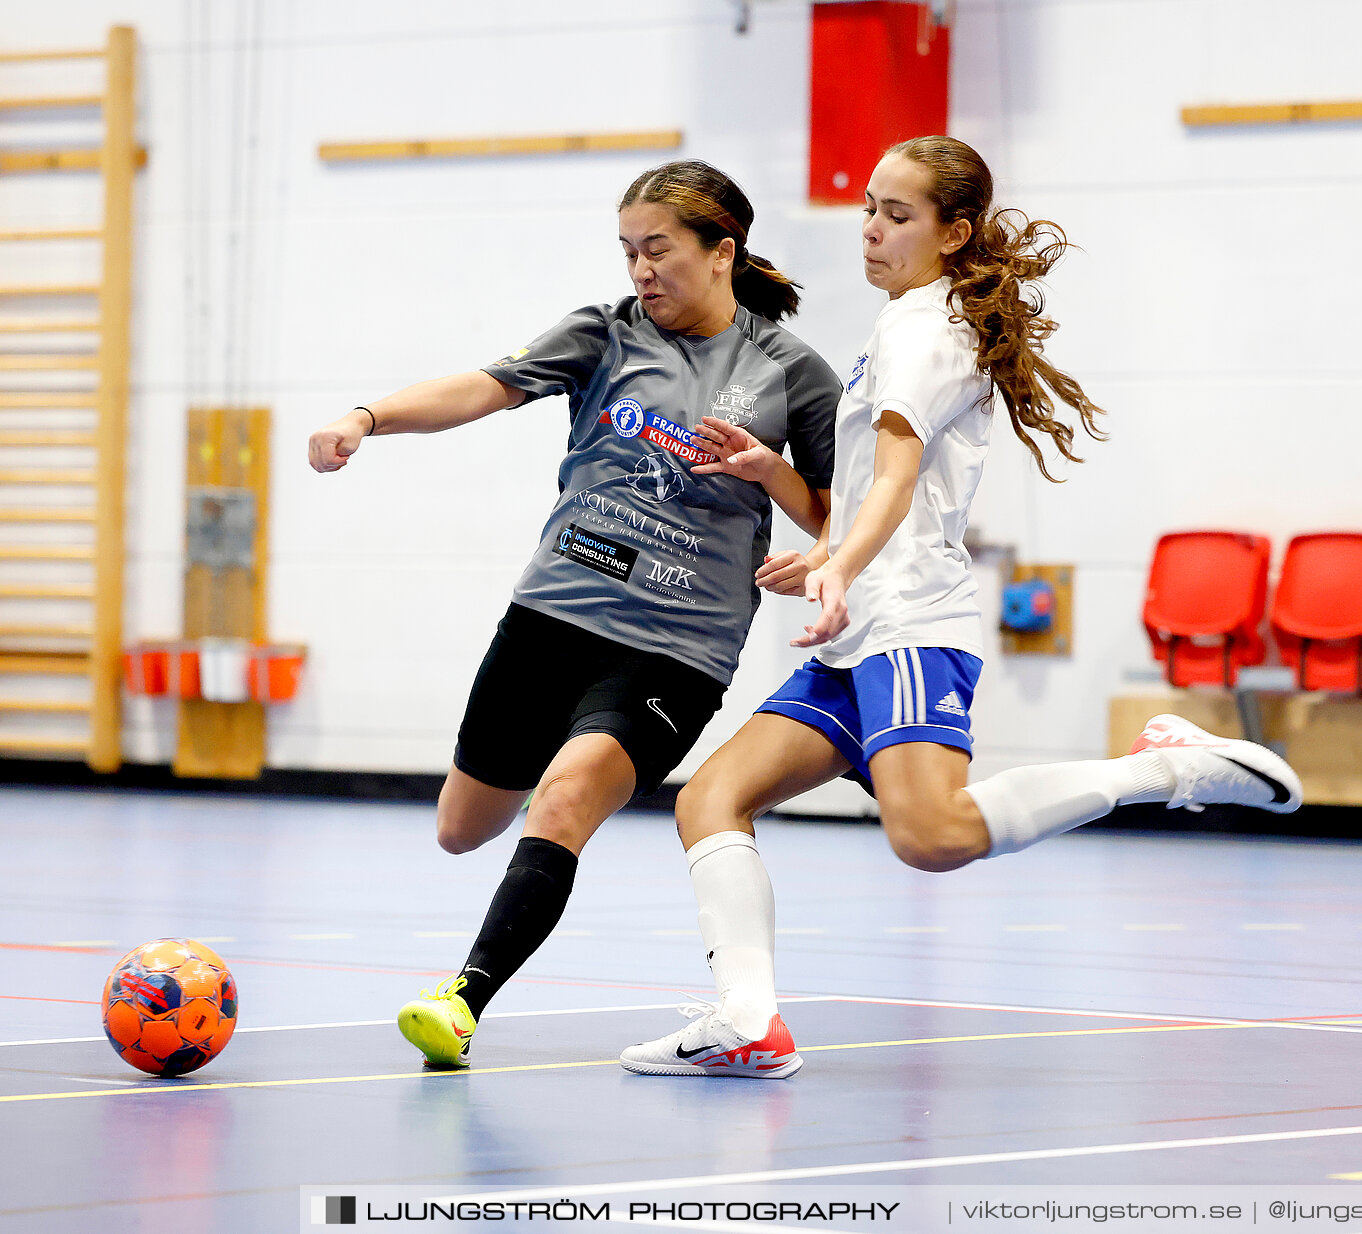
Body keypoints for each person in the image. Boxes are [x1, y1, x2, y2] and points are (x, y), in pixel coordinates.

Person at [614, 136, 1302, 1079]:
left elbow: (897, 480)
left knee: (932, 838)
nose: (871, 229)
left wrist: (840, 565)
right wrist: (793, 498)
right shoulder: (902, 324)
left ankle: (1162, 771)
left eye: (897, 215)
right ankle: (748, 1022)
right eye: (868, 207)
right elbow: (876, 496)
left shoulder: (924, 332)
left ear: (954, 232)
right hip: (861, 632)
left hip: (909, 627)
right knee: (710, 799)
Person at [304, 161, 840, 1069]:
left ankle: (463, 1001)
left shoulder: (791, 371)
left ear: (723, 253)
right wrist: (367, 417)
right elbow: (482, 387)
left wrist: (767, 475)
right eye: (629, 251)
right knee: (461, 828)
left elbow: (833, 514)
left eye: (659, 250)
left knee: (566, 797)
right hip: (552, 615)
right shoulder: (605, 334)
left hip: (677, 647)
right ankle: (501, 897)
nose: (642, 270)